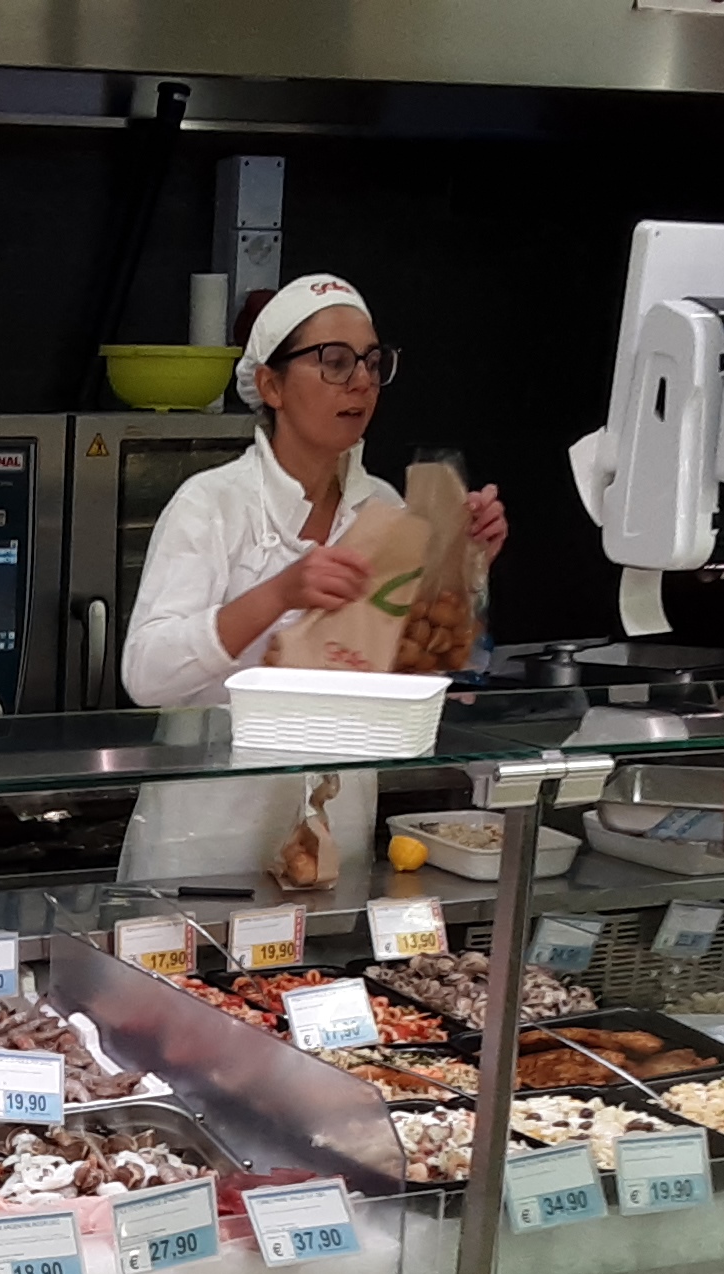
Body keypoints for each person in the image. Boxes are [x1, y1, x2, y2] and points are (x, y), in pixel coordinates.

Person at [118, 273, 510, 886]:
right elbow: (145, 674)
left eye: (372, 362)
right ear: (270, 385)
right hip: (207, 842)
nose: (361, 381)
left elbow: (416, 673)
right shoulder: (212, 504)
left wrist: (464, 568)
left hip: (335, 836)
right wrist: (279, 593)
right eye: (333, 361)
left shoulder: (386, 510)